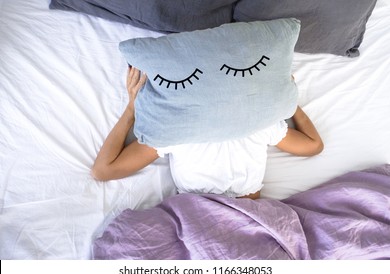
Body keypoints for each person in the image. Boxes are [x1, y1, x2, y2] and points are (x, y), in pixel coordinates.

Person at [91, 67, 323, 199]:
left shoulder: (175, 127)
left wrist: (132, 110)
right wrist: (290, 102)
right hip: (210, 216)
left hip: (239, 218)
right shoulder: (257, 121)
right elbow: (313, 145)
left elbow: (104, 170)